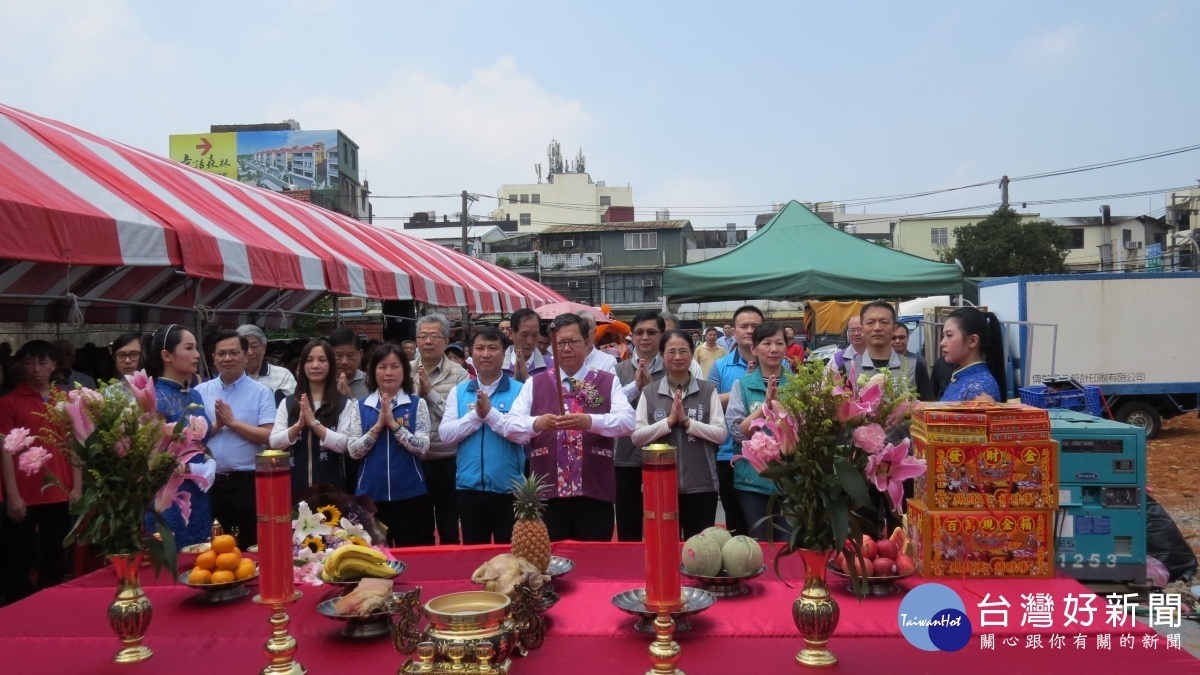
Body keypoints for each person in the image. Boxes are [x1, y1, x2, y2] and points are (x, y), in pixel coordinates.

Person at [502, 313, 635, 541]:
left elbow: (628, 421)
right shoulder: (536, 383)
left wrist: (591, 422)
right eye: (560, 343)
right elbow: (510, 426)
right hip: (548, 491)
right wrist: (537, 423)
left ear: (586, 342)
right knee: (551, 563)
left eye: (573, 342)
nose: (566, 348)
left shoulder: (606, 380)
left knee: (594, 560)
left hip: (594, 488)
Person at [0, 341, 81, 602]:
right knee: (18, 557)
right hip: (24, 493)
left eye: (43, 362)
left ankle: (51, 603)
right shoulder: (9, 402)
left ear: (54, 365)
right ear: (20, 364)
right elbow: (5, 451)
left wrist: (78, 487)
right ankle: (18, 608)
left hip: (59, 490)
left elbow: (75, 445)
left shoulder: (66, 401)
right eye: (30, 362)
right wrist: (12, 494)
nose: (36, 369)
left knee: (55, 556)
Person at [630, 329, 727, 539]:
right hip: (660, 486)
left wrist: (687, 422)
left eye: (683, 351)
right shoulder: (649, 392)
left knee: (700, 552)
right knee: (663, 546)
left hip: (702, 485)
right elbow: (637, 437)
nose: (677, 357)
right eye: (671, 351)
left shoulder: (708, 390)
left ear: (692, 354)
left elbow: (721, 434)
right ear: (662, 355)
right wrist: (668, 422)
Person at [438, 328, 525, 544]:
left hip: (509, 488)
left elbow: (522, 435)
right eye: (480, 348)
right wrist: (476, 416)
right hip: (469, 488)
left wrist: (491, 414)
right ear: (471, 354)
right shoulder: (458, 392)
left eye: (493, 348)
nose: (486, 354)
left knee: (512, 557)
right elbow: (446, 435)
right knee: (476, 556)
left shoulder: (521, 390)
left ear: (504, 354)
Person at [196, 330, 276, 548]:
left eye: (233, 353)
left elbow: (269, 436)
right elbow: (193, 438)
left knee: (248, 543)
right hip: (209, 481)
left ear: (245, 355)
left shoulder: (262, 392)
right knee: (211, 546)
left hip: (247, 482)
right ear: (213, 357)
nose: (227, 358)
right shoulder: (200, 392)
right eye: (221, 354)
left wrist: (233, 424)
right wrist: (216, 426)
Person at [347, 343, 432, 546]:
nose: (388, 373)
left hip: (410, 493)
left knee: (411, 553)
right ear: (373, 371)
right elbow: (353, 451)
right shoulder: (360, 405)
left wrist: (395, 427)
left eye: (395, 367)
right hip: (370, 495)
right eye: (382, 367)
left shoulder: (416, 404)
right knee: (374, 557)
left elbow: (422, 447)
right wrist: (377, 428)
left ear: (404, 370)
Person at [142, 325, 215, 548]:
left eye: (197, 348)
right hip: (169, 494)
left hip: (198, 492)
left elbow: (201, 444)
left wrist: (209, 462)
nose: (197, 355)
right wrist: (185, 469)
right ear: (167, 355)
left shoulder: (194, 394)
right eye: (189, 348)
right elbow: (151, 456)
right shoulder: (154, 397)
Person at [269, 340, 361, 497]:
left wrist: (314, 423)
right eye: (309, 360)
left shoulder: (345, 403)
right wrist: (297, 426)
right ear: (302, 365)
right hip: (294, 488)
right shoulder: (289, 402)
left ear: (331, 365)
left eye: (322, 360)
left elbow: (344, 444)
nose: (315, 365)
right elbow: (274, 442)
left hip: (333, 490)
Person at [725, 322, 790, 541]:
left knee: (788, 543)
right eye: (767, 343)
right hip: (752, 480)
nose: (774, 349)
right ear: (754, 349)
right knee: (758, 543)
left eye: (779, 343)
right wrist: (765, 407)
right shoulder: (741, 385)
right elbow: (736, 430)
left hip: (791, 480)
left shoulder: (799, 385)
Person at [412, 313, 470, 545]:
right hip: (415, 461)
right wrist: (418, 395)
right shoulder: (404, 371)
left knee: (448, 527)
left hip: (449, 460)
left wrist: (431, 394)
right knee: (420, 526)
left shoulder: (460, 374)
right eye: (423, 336)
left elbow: (462, 418)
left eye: (434, 336)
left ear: (446, 341)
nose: (428, 341)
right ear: (416, 340)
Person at [705, 305, 762, 537]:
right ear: (733, 331)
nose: (749, 331)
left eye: (755, 327)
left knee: (765, 520)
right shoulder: (720, 366)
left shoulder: (781, 364)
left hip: (768, 455)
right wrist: (743, 388)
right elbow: (709, 402)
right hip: (728, 453)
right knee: (736, 520)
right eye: (744, 326)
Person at [613, 311, 669, 542]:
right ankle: (628, 571)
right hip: (625, 455)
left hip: (663, 452)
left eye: (651, 332)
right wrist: (636, 387)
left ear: (662, 335)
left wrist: (652, 389)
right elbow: (610, 409)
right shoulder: (618, 370)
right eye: (639, 332)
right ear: (632, 337)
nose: (645, 337)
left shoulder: (674, 367)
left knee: (664, 518)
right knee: (628, 520)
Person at [849, 302, 934, 401]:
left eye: (884, 322)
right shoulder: (848, 369)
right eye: (870, 322)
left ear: (894, 329)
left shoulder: (915, 367)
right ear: (862, 330)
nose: (877, 328)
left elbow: (928, 409)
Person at [940, 307, 1007, 403]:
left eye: (949, 335)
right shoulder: (963, 378)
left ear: (972, 340)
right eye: (944, 336)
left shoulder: (979, 392)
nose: (942, 343)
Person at [237, 325, 296, 404]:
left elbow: (293, 407)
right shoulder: (230, 377)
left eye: (254, 346)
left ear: (264, 347)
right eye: (244, 347)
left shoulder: (283, 375)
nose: (250, 352)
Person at [503, 308, 553, 382]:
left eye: (535, 335)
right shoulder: (497, 365)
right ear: (511, 333)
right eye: (524, 335)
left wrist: (528, 380)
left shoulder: (550, 366)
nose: (530, 342)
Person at [573, 310, 619, 374]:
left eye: (587, 327)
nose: (583, 332)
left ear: (594, 332)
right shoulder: (559, 360)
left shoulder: (608, 361)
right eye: (580, 327)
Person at [328, 328, 368, 399]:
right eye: (338, 355)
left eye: (350, 355)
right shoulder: (322, 382)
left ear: (360, 355)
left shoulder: (371, 382)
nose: (344, 362)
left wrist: (350, 400)